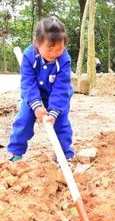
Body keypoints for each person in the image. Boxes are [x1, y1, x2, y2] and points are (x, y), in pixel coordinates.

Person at [8, 18, 74, 163]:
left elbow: (61, 87)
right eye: (50, 49)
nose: (54, 53)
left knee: (61, 124)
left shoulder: (64, 60)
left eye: (59, 49)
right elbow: (27, 83)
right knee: (23, 121)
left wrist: (55, 111)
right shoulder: (29, 56)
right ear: (36, 43)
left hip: (58, 97)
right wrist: (36, 105)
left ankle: (65, 154)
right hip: (33, 96)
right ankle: (16, 151)